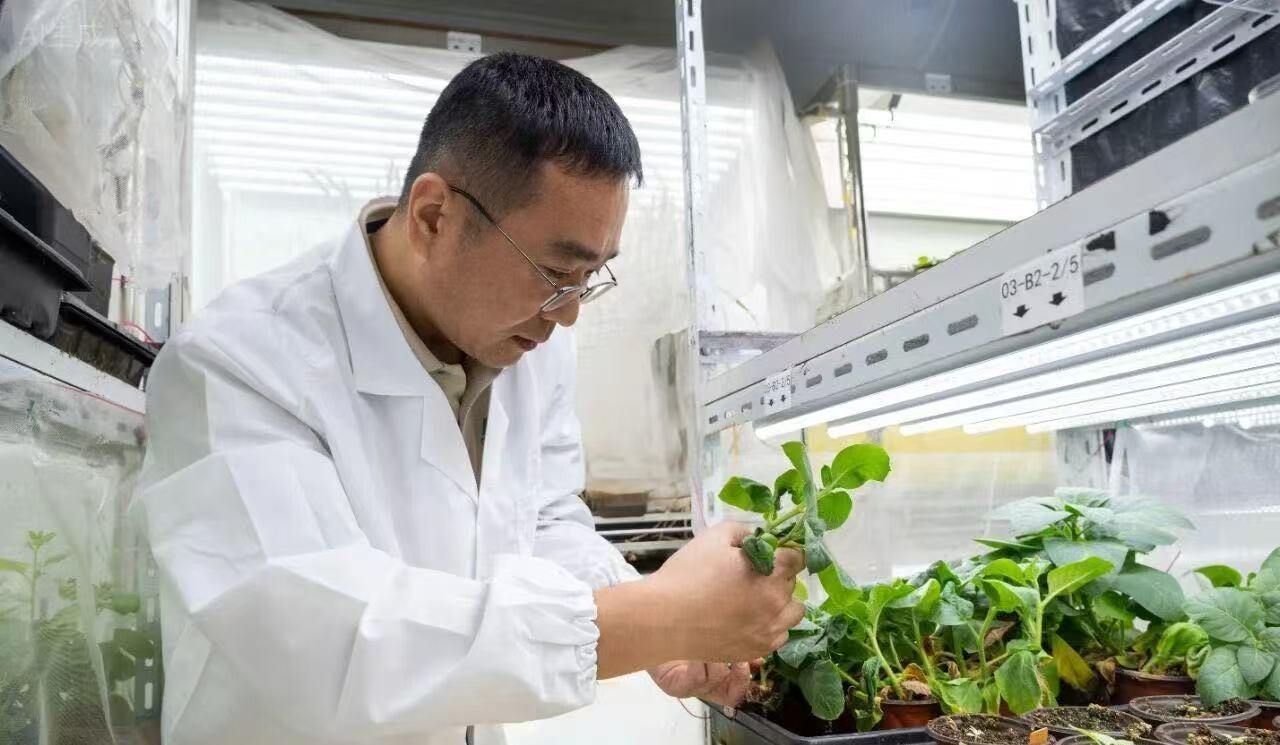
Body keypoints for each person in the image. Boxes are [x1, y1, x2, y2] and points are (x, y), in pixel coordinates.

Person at [137, 52, 804, 745]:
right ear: (433, 216)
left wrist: (654, 619)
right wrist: (659, 616)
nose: (568, 312)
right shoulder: (237, 364)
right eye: (555, 271)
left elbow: (542, 518)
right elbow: (326, 643)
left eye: (589, 277)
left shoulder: (529, 342)